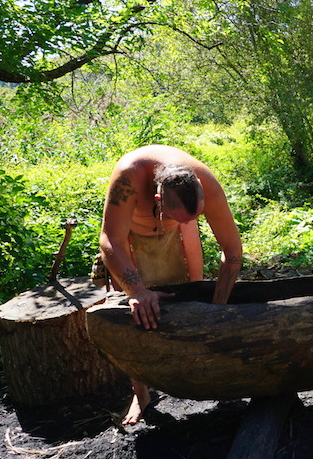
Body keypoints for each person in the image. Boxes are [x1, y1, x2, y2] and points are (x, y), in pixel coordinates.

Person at [99, 145, 243, 425]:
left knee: (194, 308)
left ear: (200, 187)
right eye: (184, 216)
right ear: (158, 199)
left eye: (197, 216)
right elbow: (110, 240)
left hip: (177, 236)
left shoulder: (205, 181)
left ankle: (213, 380)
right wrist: (137, 291)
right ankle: (140, 394)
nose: (194, 220)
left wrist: (217, 306)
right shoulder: (128, 177)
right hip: (130, 239)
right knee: (135, 316)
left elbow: (233, 252)